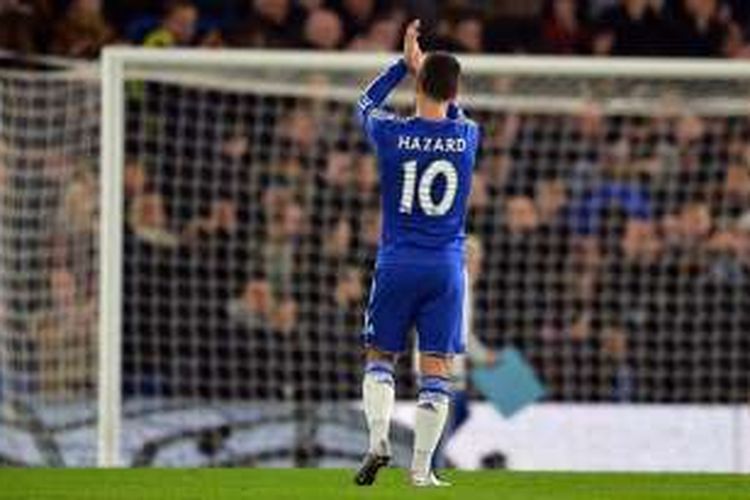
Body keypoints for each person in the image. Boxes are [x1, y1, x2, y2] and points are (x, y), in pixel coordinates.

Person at [353, 20, 480, 487]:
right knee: (437, 372)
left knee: (380, 355)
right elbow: (452, 111)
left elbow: (364, 104)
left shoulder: (389, 133)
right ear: (455, 90)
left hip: (397, 261)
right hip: (446, 267)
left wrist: (402, 67)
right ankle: (422, 470)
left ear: (418, 83)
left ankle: (378, 439)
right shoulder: (468, 136)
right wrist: (429, 74)